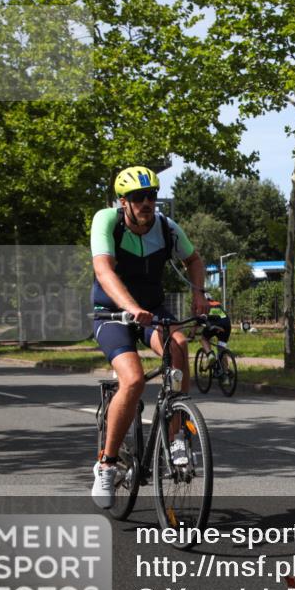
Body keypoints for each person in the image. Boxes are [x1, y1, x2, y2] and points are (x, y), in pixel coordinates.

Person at [90, 166, 208, 507]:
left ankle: (176, 441)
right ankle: (107, 464)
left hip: (151, 312)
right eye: (138, 197)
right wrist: (129, 305)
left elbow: (194, 259)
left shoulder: (167, 228)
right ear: (123, 202)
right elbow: (103, 270)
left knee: (180, 346)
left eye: (151, 196)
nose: (146, 203)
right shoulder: (106, 222)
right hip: (112, 314)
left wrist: (199, 292)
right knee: (133, 379)